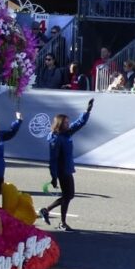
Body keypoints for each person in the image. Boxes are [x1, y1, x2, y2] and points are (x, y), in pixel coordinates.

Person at [40, 99, 94, 232]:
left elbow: (79, 123)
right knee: (68, 195)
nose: (68, 124)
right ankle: (61, 221)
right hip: (62, 170)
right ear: (59, 124)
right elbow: (53, 159)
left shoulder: (66, 133)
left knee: (68, 195)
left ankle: (47, 211)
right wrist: (53, 176)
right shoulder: (56, 138)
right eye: (65, 122)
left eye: (68, 122)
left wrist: (87, 111)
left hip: (68, 168)